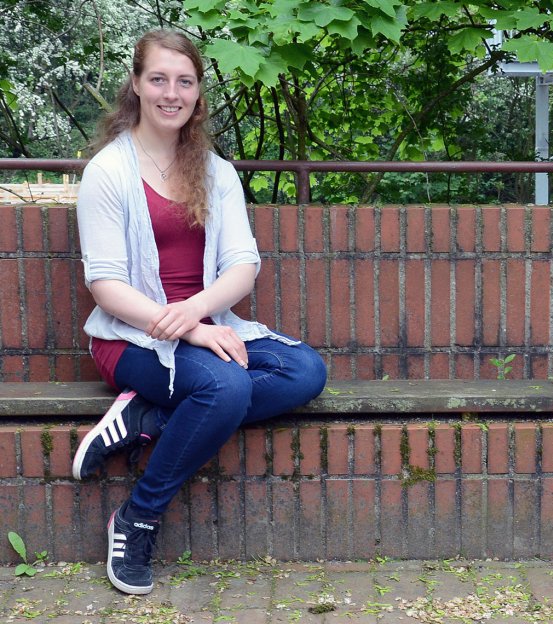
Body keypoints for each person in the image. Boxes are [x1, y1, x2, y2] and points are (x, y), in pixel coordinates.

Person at [72, 30, 327, 595]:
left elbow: (243, 265)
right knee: (226, 390)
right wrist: (188, 329)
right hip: (131, 338)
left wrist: (197, 316)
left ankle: (147, 420)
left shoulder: (215, 171)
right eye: (158, 79)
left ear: (197, 94)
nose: (171, 93)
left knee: (305, 370)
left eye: (184, 82)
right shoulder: (107, 173)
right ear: (136, 85)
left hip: (205, 326)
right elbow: (106, 285)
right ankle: (136, 520)